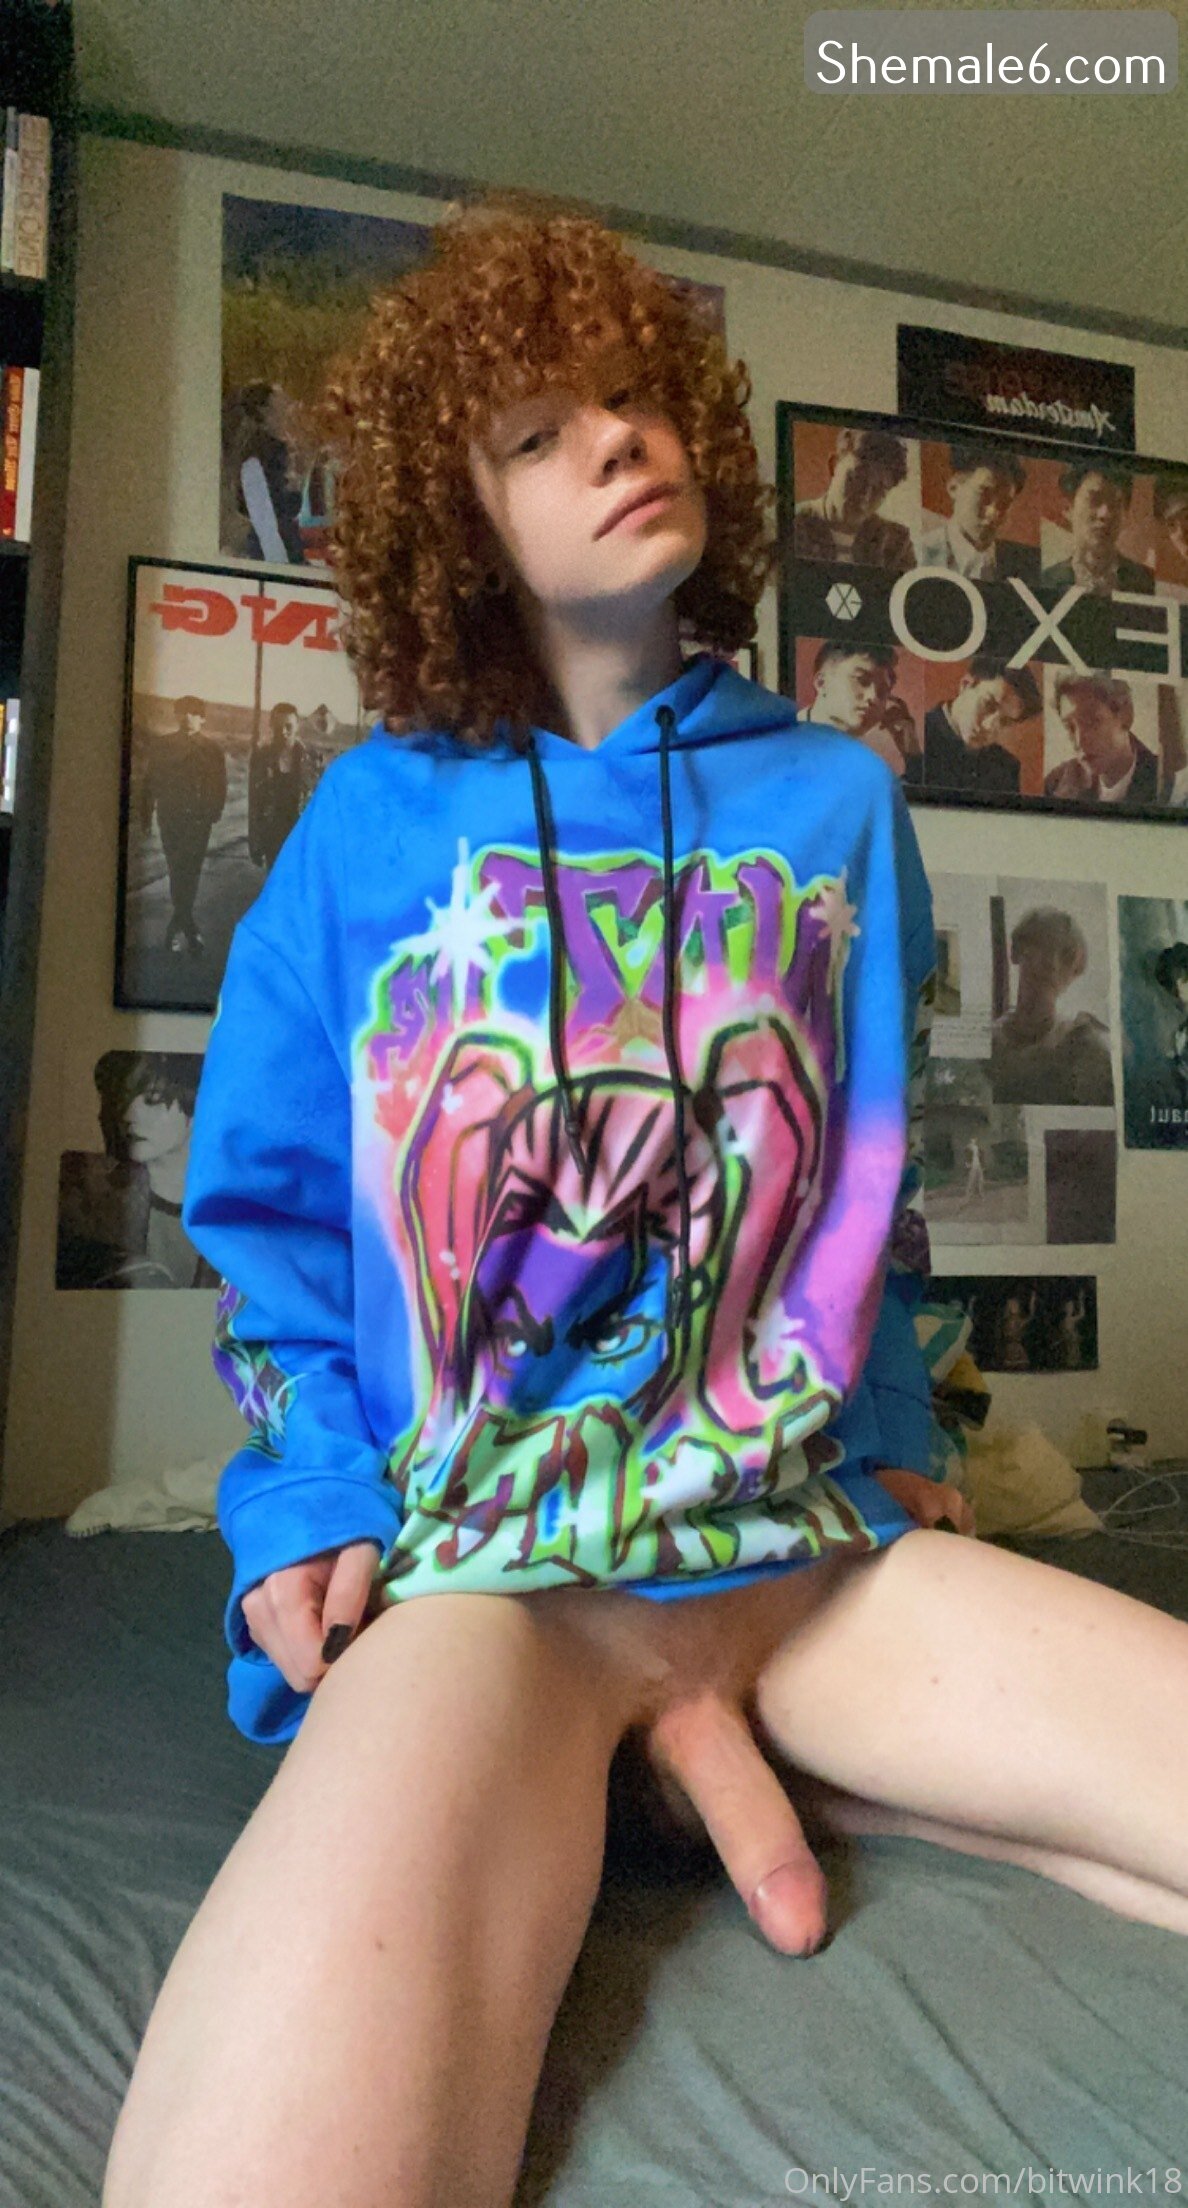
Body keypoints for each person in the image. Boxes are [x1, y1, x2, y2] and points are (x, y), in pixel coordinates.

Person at [103, 191, 1188, 2208]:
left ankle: (797, 1768)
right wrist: (309, 1491)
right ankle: (649, 1775)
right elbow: (271, 1219)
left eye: (634, 396)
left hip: (795, 1541)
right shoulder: (361, 830)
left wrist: (889, 1429)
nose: (615, 437)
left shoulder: (837, 800)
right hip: (486, 1568)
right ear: (458, 523)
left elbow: (863, 1187)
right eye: (538, 432)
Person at [991, 905, 1114, 1106]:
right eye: (1043, 946)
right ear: (1017, 952)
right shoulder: (988, 1041)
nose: (1052, 964)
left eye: (1066, 956)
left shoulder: (1085, 1047)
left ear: (1075, 970)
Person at [137, 695, 227, 955]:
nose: (187, 717)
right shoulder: (163, 745)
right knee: (177, 870)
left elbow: (220, 785)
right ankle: (187, 927)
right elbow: (150, 782)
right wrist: (145, 816)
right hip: (171, 818)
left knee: (191, 871)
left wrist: (214, 812)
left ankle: (180, 927)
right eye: (182, 712)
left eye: (194, 713)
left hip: (199, 821)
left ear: (203, 718)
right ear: (176, 715)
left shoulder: (212, 749)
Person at [904, 653, 1040, 798]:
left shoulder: (1007, 767)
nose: (989, 726)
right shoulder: (912, 737)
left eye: (1005, 721)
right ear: (966, 685)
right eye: (989, 704)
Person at [793, 425, 915, 570]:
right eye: (858, 478)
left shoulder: (897, 542)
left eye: (879, 489)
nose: (866, 496)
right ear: (833, 466)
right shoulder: (790, 522)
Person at [917, 443, 1038, 583]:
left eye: (1005, 503)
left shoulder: (1026, 565)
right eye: (984, 495)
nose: (993, 514)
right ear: (954, 488)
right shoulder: (919, 553)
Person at [799, 640, 920, 774]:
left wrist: (912, 757)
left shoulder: (879, 760)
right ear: (821, 683)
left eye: (883, 689)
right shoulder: (786, 736)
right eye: (861, 680)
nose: (873, 696)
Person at [1044, 671, 1160, 806]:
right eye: (1069, 727)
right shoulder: (1055, 784)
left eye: (1091, 722)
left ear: (1126, 715)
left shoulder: (1167, 783)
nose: (1079, 742)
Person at [1040, 461, 1154, 598]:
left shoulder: (1147, 584)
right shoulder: (1045, 581)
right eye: (1094, 500)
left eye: (1115, 504)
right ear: (1068, 507)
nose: (1104, 514)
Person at [247, 700, 316, 873]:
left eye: (288, 726)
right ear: (271, 726)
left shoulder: (312, 759)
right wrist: (255, 843)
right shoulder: (261, 757)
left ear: (297, 726)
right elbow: (254, 803)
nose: (283, 732)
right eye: (278, 727)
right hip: (273, 835)